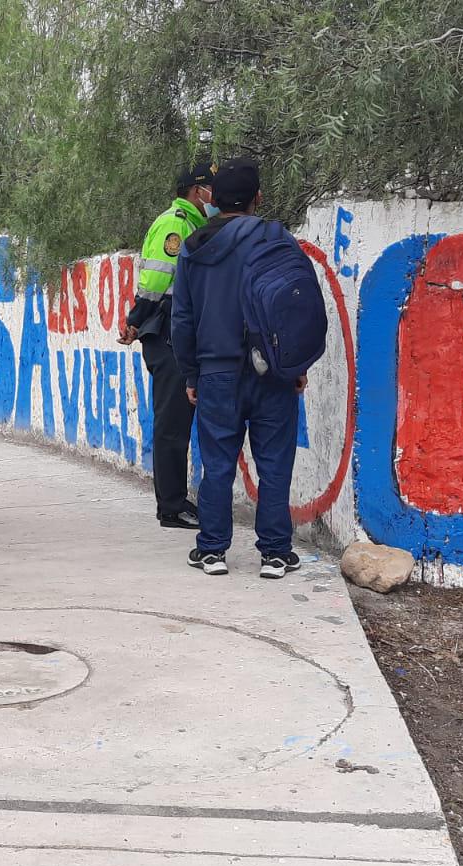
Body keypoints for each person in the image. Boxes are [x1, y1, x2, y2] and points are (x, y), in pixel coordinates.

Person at [170, 157, 310, 579]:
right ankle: (275, 554)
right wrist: (296, 364)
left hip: (217, 374)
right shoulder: (278, 238)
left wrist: (191, 374)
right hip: (273, 373)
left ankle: (212, 550)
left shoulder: (194, 247)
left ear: (212, 200)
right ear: (258, 198)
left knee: (217, 464)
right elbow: (298, 305)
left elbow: (182, 319)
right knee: (274, 464)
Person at [120, 162, 216, 529]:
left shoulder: (193, 223)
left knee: (178, 418)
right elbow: (155, 282)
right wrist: (134, 318)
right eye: (210, 192)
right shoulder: (175, 223)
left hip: (177, 331)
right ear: (197, 192)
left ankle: (176, 500)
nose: (215, 199)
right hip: (167, 332)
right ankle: (170, 506)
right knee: (172, 420)